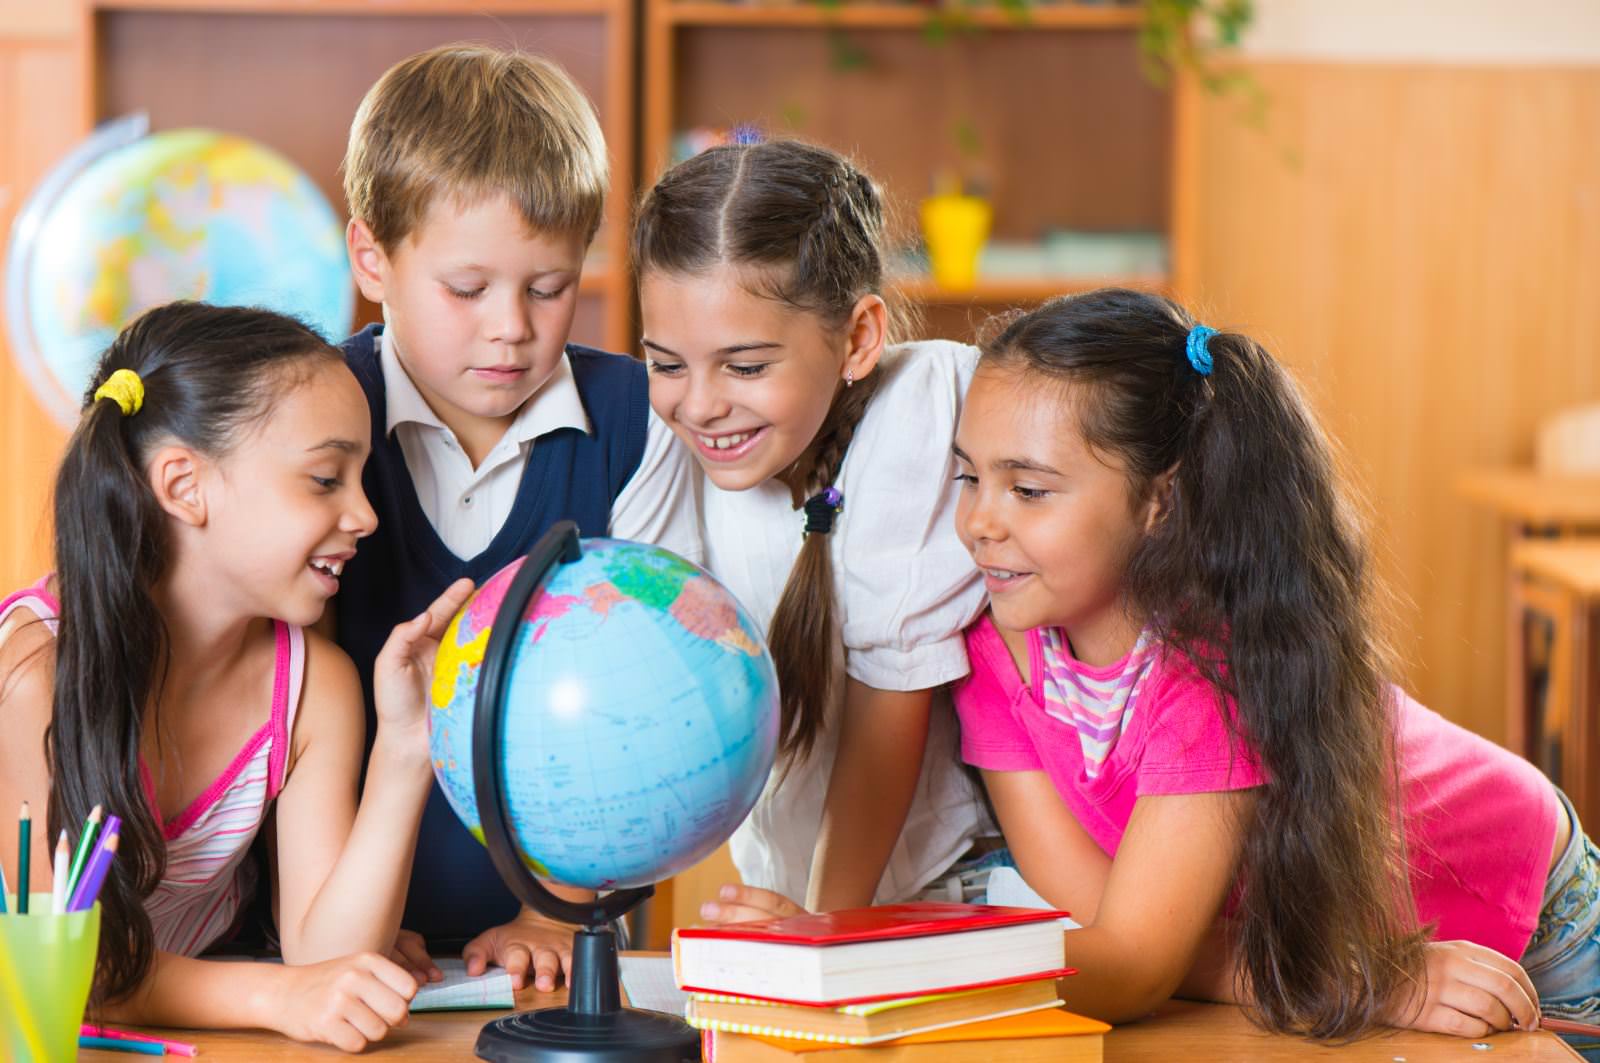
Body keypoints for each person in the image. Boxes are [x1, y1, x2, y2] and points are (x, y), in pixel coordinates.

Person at [942, 287, 1594, 1038]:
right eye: (969, 477)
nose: (980, 521)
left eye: (1027, 489)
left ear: (1161, 501)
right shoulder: (997, 647)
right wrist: (1344, 976)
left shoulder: (1210, 671)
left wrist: (928, 963)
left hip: (1536, 918)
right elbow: (1104, 919)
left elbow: (1132, 963)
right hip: (1362, 957)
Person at [0, 302, 473, 1051]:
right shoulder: (32, 672)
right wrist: (276, 993)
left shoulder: (315, 685)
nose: (365, 515)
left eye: (361, 478)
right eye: (325, 478)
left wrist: (408, 747)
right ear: (184, 485)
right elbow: (59, 966)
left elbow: (328, 958)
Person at [335, 43, 702, 989]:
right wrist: (346, 920)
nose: (512, 325)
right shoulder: (312, 416)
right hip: (325, 925)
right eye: (467, 289)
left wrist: (556, 911)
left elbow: (655, 703)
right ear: (372, 256)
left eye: (548, 287)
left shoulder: (638, 419)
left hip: (564, 938)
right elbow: (273, 690)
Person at [631, 139, 995, 917]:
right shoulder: (671, 444)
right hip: (810, 896)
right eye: (667, 363)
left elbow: (884, 719)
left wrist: (827, 927)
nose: (699, 405)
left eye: (746, 366)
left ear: (859, 338)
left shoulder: (913, 417)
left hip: (941, 892)